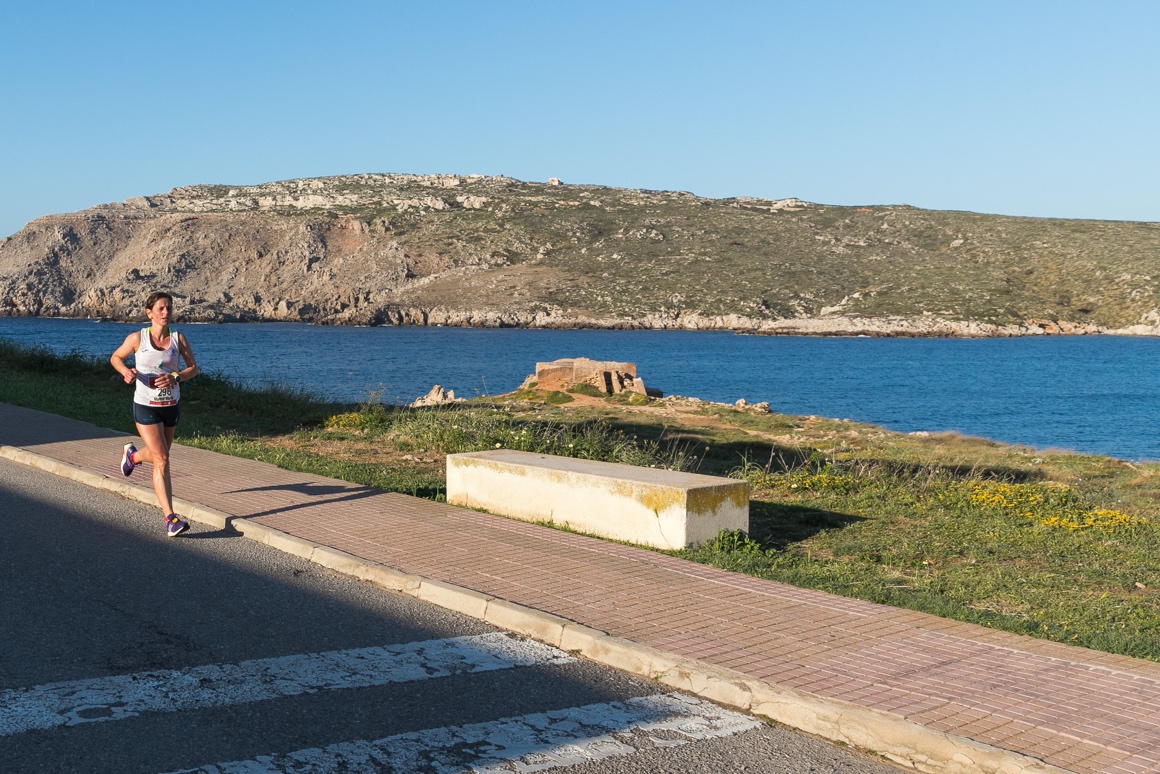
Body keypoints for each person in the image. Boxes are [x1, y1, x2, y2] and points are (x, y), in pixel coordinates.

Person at [110, 291, 200, 537]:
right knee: (162, 460)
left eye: (169, 308)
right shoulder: (137, 338)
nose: (166, 313)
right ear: (149, 313)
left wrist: (176, 376)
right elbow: (116, 357)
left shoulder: (178, 338)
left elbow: (193, 368)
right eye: (161, 308)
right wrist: (125, 372)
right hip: (145, 405)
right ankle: (170, 518)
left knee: (161, 456)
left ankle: (133, 457)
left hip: (171, 405)